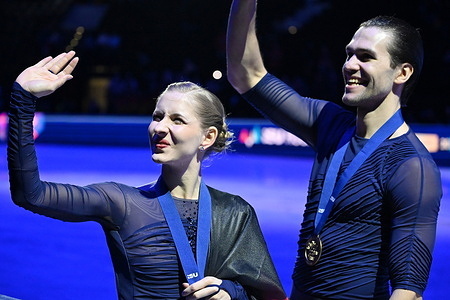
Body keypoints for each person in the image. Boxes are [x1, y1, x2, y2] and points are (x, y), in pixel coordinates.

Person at [7, 51, 287, 300]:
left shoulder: (236, 212)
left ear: (207, 137)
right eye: (157, 116)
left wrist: (230, 292)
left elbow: (264, 294)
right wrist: (23, 99)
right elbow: (31, 194)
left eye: (176, 120)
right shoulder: (121, 201)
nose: (160, 128)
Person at [226, 1, 442, 299]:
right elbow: (245, 74)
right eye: (349, 54)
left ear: (401, 73)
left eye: (366, 57)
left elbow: (408, 290)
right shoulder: (330, 124)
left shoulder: (412, 167)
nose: (350, 65)